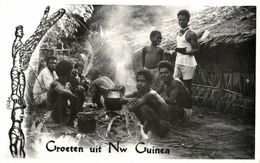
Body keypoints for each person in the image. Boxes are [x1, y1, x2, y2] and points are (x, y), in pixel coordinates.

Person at [121, 69, 171, 138]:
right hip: (156, 121)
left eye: (143, 81)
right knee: (139, 106)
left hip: (163, 126)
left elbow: (131, 108)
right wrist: (128, 99)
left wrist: (129, 101)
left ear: (149, 83)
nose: (139, 83)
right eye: (138, 81)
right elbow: (121, 99)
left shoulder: (150, 94)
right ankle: (147, 131)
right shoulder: (139, 92)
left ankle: (152, 134)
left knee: (142, 108)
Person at [47, 60, 85, 126]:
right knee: (63, 95)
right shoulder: (55, 83)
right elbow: (61, 90)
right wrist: (73, 96)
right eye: (70, 72)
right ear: (67, 73)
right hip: (55, 114)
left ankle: (70, 120)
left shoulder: (67, 83)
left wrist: (78, 87)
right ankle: (62, 123)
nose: (72, 74)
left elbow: (74, 88)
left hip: (64, 111)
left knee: (81, 91)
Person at [174, 9, 199, 93]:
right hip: (178, 62)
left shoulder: (191, 34)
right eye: (179, 20)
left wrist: (184, 52)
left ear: (188, 20)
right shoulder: (177, 32)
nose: (181, 22)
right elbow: (179, 46)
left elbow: (196, 49)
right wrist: (174, 51)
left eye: (183, 20)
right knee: (176, 84)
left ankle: (188, 105)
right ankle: (179, 104)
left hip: (188, 63)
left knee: (187, 86)